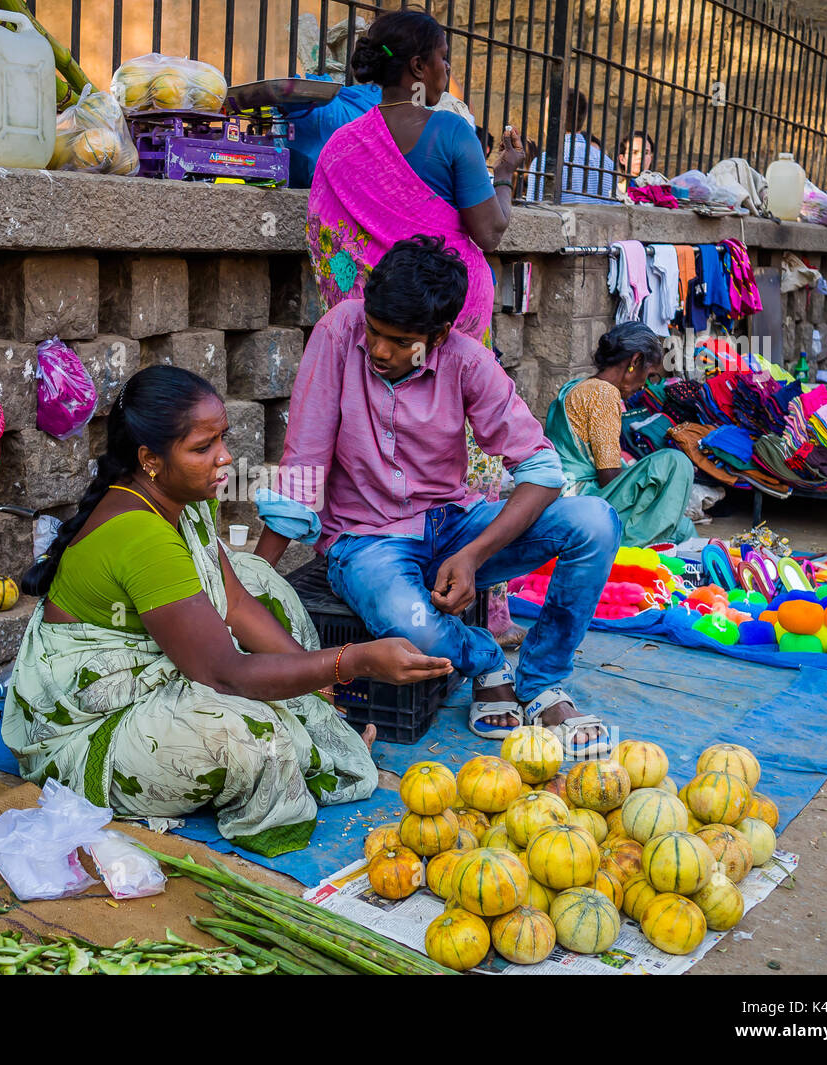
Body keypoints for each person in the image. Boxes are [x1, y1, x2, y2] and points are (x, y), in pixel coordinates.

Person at [3, 365, 452, 857]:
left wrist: (318, 688)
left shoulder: (182, 500)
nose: (225, 459)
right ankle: (281, 784)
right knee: (257, 739)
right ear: (149, 459)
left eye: (222, 439)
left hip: (175, 669)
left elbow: (236, 601)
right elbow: (229, 674)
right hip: (86, 733)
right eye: (203, 448)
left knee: (261, 581)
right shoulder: (140, 535)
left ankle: (307, 730)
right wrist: (354, 661)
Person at [254, 237, 621, 758]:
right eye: (375, 333)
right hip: (366, 541)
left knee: (596, 521)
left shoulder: (467, 361)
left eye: (400, 341)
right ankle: (486, 657)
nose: (380, 350)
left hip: (454, 525)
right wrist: (251, 584)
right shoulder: (338, 332)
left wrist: (471, 555)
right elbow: (303, 464)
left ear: (441, 334)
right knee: (410, 630)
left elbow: (541, 471)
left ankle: (540, 683)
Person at [307, 9, 526, 344]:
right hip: (447, 320)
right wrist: (505, 173)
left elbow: (327, 235)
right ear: (418, 66)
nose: (447, 67)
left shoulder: (342, 143)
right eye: (443, 57)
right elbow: (490, 233)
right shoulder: (451, 132)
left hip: (376, 327)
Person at [545, 322, 696, 546]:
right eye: (650, 374)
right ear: (635, 362)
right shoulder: (604, 393)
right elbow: (608, 476)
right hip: (580, 500)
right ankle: (631, 549)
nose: (645, 385)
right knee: (675, 463)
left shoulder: (577, 386)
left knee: (684, 528)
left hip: (563, 498)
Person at [524, 90, 616, 203]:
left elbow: (535, 211)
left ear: (555, 117)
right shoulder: (607, 164)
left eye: (547, 111)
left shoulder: (542, 163)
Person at [617, 130, 656, 197]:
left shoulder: (659, 189)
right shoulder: (615, 190)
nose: (640, 157)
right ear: (622, 159)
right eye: (634, 152)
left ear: (651, 158)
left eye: (646, 153)